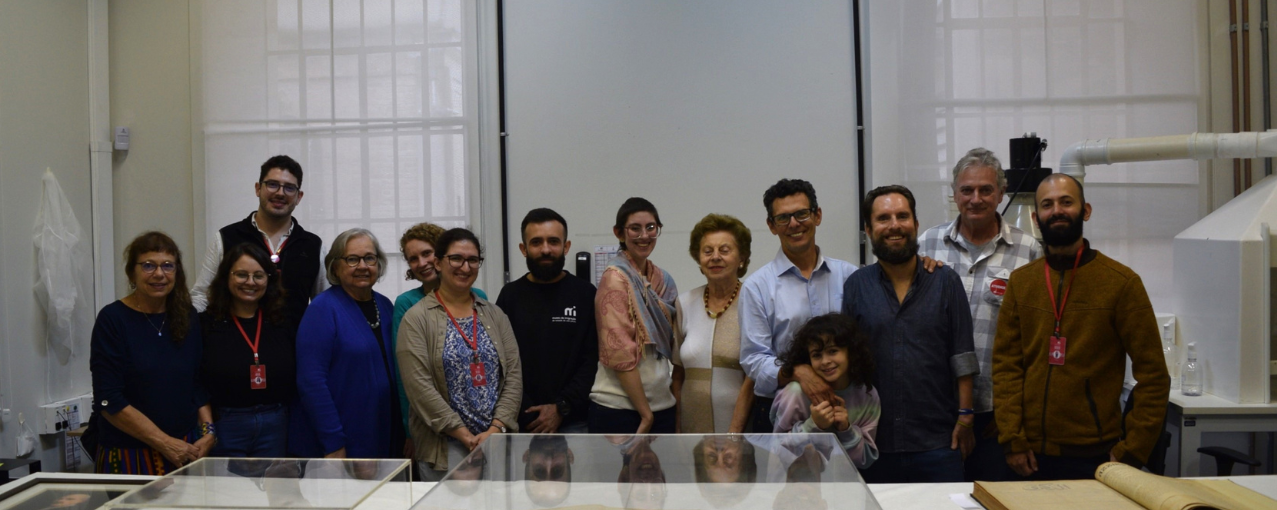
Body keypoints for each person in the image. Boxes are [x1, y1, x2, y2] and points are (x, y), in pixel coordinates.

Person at [993, 174, 1170, 480]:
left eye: (1066, 202)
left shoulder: (1121, 283)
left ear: (1085, 211)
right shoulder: (1021, 283)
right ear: (1036, 218)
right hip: (1027, 455)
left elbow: (1153, 376)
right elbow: (1006, 367)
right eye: (1047, 204)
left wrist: (1132, 450)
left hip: (1095, 457)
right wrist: (1012, 439)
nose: (1057, 211)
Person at [917, 147, 1042, 481]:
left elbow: (1036, 338)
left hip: (997, 412)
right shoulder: (927, 245)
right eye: (967, 190)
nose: (976, 199)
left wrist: (1015, 416)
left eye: (986, 190)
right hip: (937, 406)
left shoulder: (1029, 251)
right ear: (954, 194)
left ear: (1001, 193)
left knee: (991, 495)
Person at [842, 185, 977, 483]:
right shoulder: (856, 286)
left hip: (938, 443)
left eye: (902, 216)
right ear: (868, 230)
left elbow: (963, 355)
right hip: (873, 442)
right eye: (883, 218)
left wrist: (966, 416)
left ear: (915, 224)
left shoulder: (945, 282)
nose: (894, 225)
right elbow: (847, 362)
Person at [396, 228, 523, 479]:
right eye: (456, 258)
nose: (465, 267)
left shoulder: (495, 314)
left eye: (473, 260)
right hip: (444, 447)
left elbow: (514, 376)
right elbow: (419, 387)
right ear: (438, 263)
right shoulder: (416, 319)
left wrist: (496, 429)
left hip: (494, 443)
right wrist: (464, 435)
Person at [90, 231, 214, 474]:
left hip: (185, 450)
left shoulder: (187, 316)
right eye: (148, 265)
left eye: (168, 265)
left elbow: (196, 384)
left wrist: (208, 432)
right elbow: (108, 399)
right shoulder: (112, 319)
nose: (159, 274)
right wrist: (164, 443)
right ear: (131, 272)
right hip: (128, 455)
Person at [289, 228, 403, 459]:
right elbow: (311, 382)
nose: (362, 266)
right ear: (335, 267)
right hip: (343, 436)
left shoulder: (386, 306)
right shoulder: (322, 309)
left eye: (369, 258)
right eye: (352, 259)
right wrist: (333, 441)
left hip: (384, 431)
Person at [390, 222, 488, 456]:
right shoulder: (407, 304)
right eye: (413, 259)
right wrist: (409, 430)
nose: (422, 263)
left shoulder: (478, 297)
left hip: (481, 420)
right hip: (434, 424)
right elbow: (406, 377)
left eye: (427, 253)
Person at [496, 208, 597, 434]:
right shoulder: (509, 296)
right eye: (536, 242)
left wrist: (561, 407)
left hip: (575, 420)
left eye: (553, 241)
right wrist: (528, 411)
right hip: (523, 422)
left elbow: (593, 360)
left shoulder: (585, 294)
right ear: (523, 249)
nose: (545, 249)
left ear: (566, 246)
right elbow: (501, 362)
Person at [192, 155, 325, 326]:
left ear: (299, 196)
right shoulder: (226, 238)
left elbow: (324, 306)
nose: (280, 193)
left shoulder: (313, 246)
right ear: (258, 189)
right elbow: (201, 296)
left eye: (289, 188)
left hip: (293, 343)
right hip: (235, 340)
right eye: (272, 184)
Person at [588, 198, 681, 434]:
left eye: (651, 227)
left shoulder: (663, 280)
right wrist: (645, 414)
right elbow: (619, 351)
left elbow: (673, 342)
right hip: (621, 408)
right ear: (619, 233)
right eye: (635, 228)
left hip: (662, 404)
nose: (644, 235)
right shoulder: (615, 279)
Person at [199, 242, 295, 458]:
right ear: (226, 277)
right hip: (225, 424)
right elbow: (195, 382)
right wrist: (208, 428)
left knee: (272, 481)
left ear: (269, 280)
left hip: (276, 423)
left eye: (258, 276)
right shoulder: (205, 325)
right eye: (241, 275)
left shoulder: (282, 323)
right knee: (224, 483)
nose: (250, 282)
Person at [676, 213, 755, 433]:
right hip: (691, 430)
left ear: (741, 258)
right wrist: (676, 430)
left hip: (741, 430)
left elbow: (755, 375)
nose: (715, 257)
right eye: (708, 251)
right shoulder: (684, 303)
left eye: (725, 250)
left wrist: (735, 432)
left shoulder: (754, 302)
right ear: (699, 259)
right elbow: (677, 374)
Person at [771, 313, 880, 469]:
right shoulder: (795, 393)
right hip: (796, 481)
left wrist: (846, 430)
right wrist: (813, 425)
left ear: (851, 351)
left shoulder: (867, 395)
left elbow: (864, 460)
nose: (825, 361)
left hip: (844, 481)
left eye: (833, 351)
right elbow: (778, 451)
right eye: (817, 355)